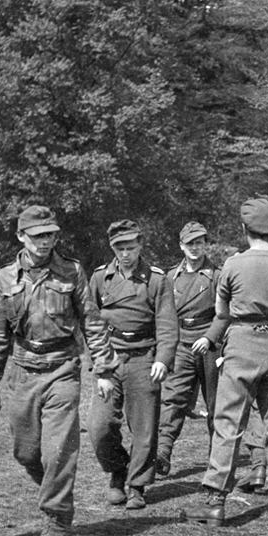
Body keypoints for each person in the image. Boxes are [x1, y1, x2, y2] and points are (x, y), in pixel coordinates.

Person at [0, 204, 117, 536]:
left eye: (51, 235)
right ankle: (54, 491)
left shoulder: (71, 271)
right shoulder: (6, 277)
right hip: (22, 371)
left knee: (57, 450)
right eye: (38, 236)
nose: (45, 241)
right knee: (27, 452)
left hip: (62, 368)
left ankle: (57, 518)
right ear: (21, 237)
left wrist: (102, 369)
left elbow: (92, 321)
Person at [182, 199, 268, 527]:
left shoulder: (233, 265)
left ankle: (215, 501)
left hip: (242, 344)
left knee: (228, 423)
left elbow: (222, 311)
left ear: (244, 228)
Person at [87, 219, 178, 511]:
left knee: (145, 427)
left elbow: (166, 323)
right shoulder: (101, 278)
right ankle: (118, 471)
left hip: (144, 357)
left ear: (140, 245)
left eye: (131, 247)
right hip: (110, 357)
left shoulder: (156, 279)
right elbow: (91, 323)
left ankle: (137, 485)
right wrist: (100, 367)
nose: (126, 253)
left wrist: (163, 359)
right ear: (112, 248)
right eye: (120, 248)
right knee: (99, 427)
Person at [156, 221, 220, 474]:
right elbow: (163, 313)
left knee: (216, 402)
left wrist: (211, 338)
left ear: (206, 245)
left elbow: (225, 313)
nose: (195, 248)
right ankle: (162, 453)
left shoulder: (217, 275)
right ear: (181, 246)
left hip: (210, 343)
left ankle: (218, 456)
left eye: (200, 243)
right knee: (173, 399)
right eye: (190, 243)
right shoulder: (170, 277)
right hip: (181, 341)